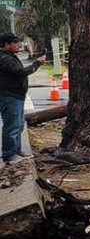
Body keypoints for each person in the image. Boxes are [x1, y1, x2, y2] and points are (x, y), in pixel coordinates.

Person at [0, 34, 45, 163]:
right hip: (10, 97)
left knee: (19, 125)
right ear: (7, 45)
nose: (19, 45)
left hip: (16, 96)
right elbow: (21, 72)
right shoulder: (5, 59)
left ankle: (16, 150)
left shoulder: (9, 57)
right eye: (16, 43)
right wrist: (36, 64)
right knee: (12, 126)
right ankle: (9, 154)